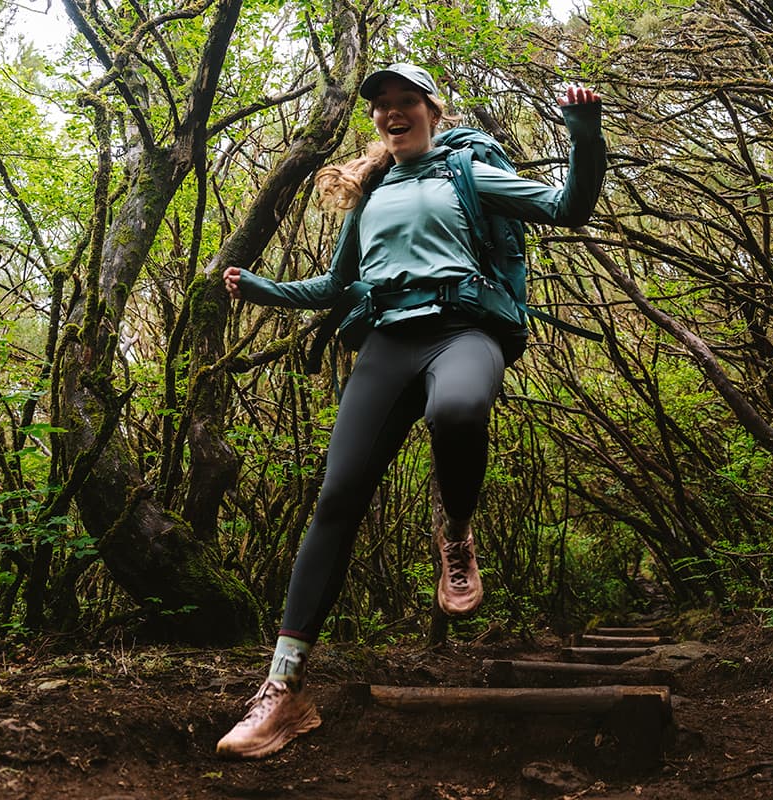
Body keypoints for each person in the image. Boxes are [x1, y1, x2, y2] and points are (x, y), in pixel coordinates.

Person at [214, 61, 605, 759]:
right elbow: (338, 286)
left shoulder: (467, 173)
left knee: (455, 414)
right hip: (389, 342)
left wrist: (584, 132)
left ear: (431, 108)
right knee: (337, 499)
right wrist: (266, 290)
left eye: (406, 102)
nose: (393, 113)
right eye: (382, 106)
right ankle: (281, 691)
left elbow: (568, 208)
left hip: (465, 330)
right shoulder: (370, 194)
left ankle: (455, 531)